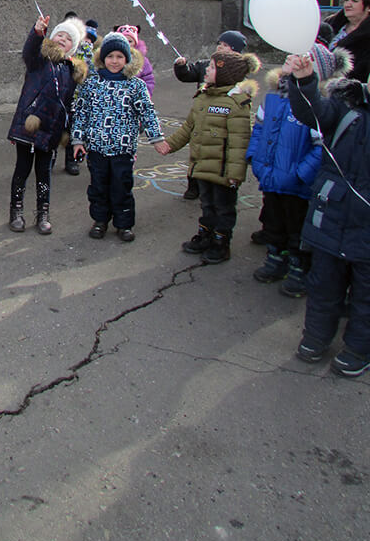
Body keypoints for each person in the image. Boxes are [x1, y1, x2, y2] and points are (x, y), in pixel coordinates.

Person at [287, 50, 370, 377]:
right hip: (331, 218)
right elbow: (312, 113)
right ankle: (316, 337)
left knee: (366, 295)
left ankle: (359, 348)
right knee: (323, 285)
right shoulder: (347, 105)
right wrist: (304, 80)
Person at [246, 44, 351, 296]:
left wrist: (300, 174)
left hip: (298, 184)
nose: (291, 59)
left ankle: (299, 265)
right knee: (273, 219)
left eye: (301, 58)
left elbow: (320, 147)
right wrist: (255, 158)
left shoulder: (319, 105)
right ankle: (276, 255)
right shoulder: (272, 98)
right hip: (271, 176)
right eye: (291, 56)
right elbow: (259, 129)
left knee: (298, 226)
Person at [156, 49, 260, 263]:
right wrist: (169, 145)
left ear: (224, 74)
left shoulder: (236, 103)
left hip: (223, 172)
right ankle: (205, 234)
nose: (206, 70)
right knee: (207, 204)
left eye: (211, 67)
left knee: (224, 208)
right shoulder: (203, 97)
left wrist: (235, 174)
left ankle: (221, 243)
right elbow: (188, 127)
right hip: (202, 165)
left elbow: (239, 142)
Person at [71, 31, 165, 241]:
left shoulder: (135, 85)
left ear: (127, 59)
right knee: (98, 187)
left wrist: (156, 138)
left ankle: (124, 224)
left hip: (123, 149)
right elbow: (81, 112)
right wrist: (77, 140)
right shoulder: (92, 84)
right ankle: (100, 220)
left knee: (122, 187)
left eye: (120, 57)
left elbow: (147, 112)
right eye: (110, 56)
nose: (114, 61)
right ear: (102, 58)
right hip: (96, 148)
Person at [8, 15, 87, 235]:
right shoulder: (39, 60)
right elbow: (29, 51)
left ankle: (43, 213)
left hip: (51, 130)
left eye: (68, 39)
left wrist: (67, 131)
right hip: (28, 125)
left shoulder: (71, 71)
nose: (63, 39)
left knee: (44, 173)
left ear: (73, 47)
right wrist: (37, 32)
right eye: (59, 35)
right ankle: (16, 210)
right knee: (22, 169)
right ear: (51, 37)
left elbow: (69, 104)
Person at [173, 29, 248, 201]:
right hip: (202, 117)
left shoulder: (236, 73)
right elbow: (187, 75)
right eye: (219, 44)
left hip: (220, 122)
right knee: (197, 151)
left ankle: (216, 189)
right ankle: (193, 185)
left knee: (215, 155)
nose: (220, 48)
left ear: (236, 51)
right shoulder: (206, 65)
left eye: (226, 45)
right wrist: (181, 66)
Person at [64, 17, 99, 175]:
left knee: (78, 131)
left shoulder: (93, 56)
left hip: (84, 99)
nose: (86, 42)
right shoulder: (71, 53)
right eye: (84, 38)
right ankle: (57, 158)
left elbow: (93, 74)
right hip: (69, 96)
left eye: (90, 39)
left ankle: (74, 159)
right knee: (65, 129)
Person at [325, 0, 370, 82]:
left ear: (368, 7)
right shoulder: (329, 25)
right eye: (346, 0)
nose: (348, 4)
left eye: (354, 1)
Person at [116, 24, 155, 97]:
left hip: (135, 97)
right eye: (123, 40)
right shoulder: (112, 58)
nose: (126, 43)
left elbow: (148, 79)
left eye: (130, 41)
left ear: (135, 43)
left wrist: (144, 95)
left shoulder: (143, 60)